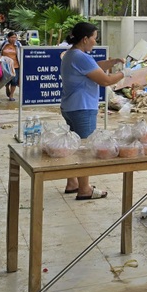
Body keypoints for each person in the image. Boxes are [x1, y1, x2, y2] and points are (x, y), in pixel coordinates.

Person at [60, 22, 125, 200]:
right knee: (85, 150)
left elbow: (92, 67)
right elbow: (105, 80)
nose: (95, 43)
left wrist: (112, 62)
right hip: (82, 108)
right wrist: (126, 75)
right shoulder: (80, 57)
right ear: (85, 39)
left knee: (74, 147)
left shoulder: (71, 54)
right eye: (94, 38)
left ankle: (72, 182)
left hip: (71, 107)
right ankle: (85, 189)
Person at [0, 31, 22, 101]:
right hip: (5, 66)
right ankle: (7, 87)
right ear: (8, 38)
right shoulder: (3, 44)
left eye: (15, 37)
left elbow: (22, 53)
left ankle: (11, 95)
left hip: (15, 65)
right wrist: (0, 56)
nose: (14, 39)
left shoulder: (18, 45)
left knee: (14, 81)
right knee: (6, 79)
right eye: (12, 37)